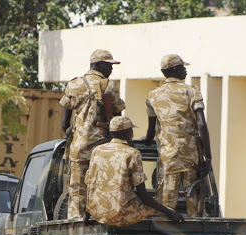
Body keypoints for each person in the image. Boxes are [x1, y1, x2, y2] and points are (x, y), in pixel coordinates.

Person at [60, 49, 125, 219]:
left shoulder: (73, 84)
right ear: (97, 64)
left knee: (76, 192)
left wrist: (76, 138)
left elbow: (64, 123)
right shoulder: (108, 85)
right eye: (109, 65)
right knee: (101, 190)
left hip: (78, 150)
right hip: (102, 149)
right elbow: (118, 121)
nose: (111, 69)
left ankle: (75, 229)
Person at [144, 54, 212, 217]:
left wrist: (146, 140)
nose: (185, 70)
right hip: (192, 160)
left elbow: (151, 130)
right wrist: (208, 156)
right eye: (183, 67)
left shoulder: (153, 95)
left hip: (168, 160)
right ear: (175, 69)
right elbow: (201, 124)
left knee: (166, 207)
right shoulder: (191, 91)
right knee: (195, 208)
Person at [85, 116, 184, 226]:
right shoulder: (132, 154)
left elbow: (90, 185)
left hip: (97, 212)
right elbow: (143, 195)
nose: (132, 133)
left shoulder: (97, 151)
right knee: (160, 211)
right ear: (126, 132)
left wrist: (87, 213)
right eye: (131, 130)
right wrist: (170, 213)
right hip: (120, 214)